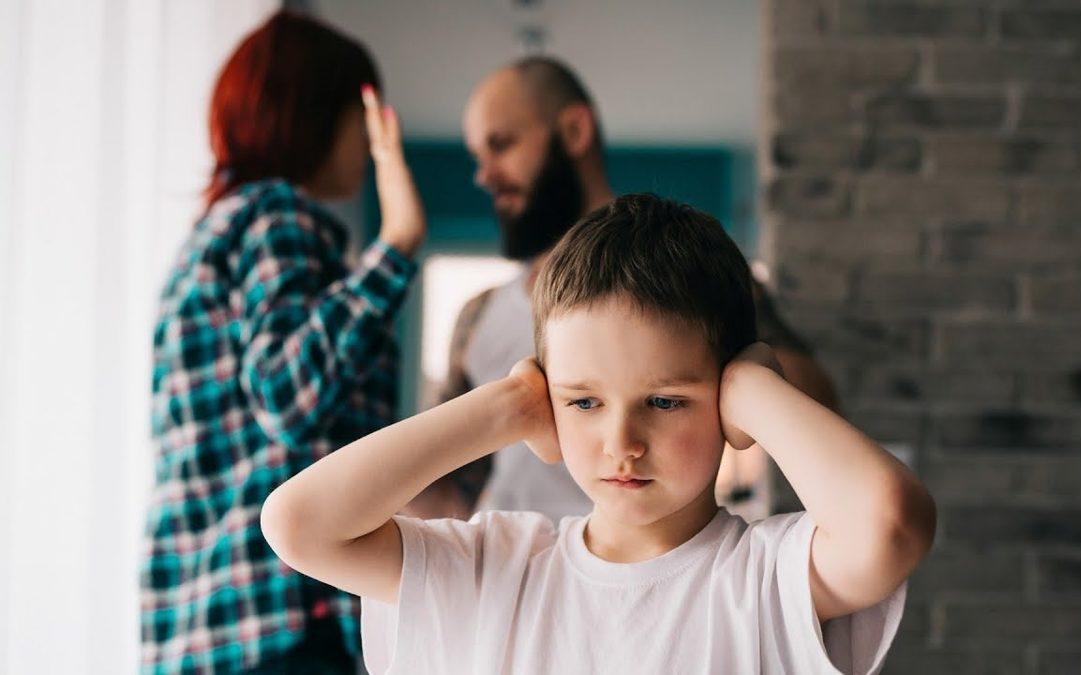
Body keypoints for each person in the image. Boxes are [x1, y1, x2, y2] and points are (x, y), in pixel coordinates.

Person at [261, 193, 936, 674]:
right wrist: (505, 406)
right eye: (583, 401)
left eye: (666, 400)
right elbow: (299, 523)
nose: (623, 441)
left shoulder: (765, 577)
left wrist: (757, 388)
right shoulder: (497, 567)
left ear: (728, 400)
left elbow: (892, 522)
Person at [414, 56, 839, 522]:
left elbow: (816, 399)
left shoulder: (687, 275)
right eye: (479, 156)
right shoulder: (478, 315)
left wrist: (728, 380)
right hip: (516, 574)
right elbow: (448, 489)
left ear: (575, 131)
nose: (484, 175)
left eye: (502, 145)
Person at [141, 11, 426, 673]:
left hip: (203, 628)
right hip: (284, 619)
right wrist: (401, 240)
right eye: (364, 111)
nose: (371, 135)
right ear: (319, 112)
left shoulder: (209, 237)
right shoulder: (277, 216)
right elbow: (286, 394)